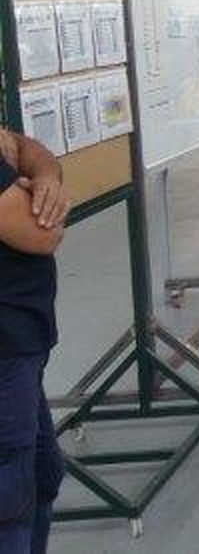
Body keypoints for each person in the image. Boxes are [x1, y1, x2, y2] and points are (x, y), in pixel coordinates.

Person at [0, 127, 69, 550]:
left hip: (23, 341)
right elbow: (43, 232)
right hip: (6, 347)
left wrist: (43, 179)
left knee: (43, 475)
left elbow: (26, 147)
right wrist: (40, 202)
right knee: (11, 503)